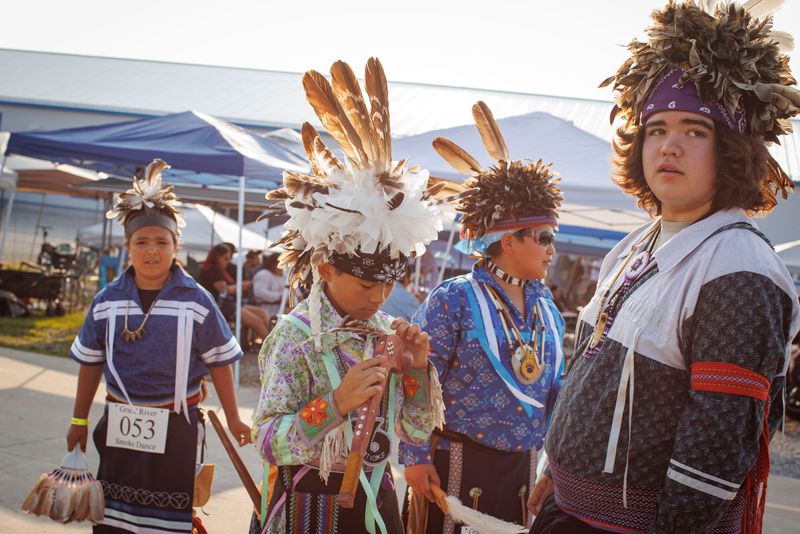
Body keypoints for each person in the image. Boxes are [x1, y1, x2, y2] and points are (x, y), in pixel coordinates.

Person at [532, 3, 800, 533]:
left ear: (730, 151)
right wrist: (553, 471)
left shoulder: (739, 268)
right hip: (568, 512)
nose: (670, 145)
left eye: (695, 131)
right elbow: (589, 371)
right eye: (656, 129)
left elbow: (716, 449)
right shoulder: (635, 246)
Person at [250, 58, 448, 534]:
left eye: (388, 284)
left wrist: (417, 371)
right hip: (306, 507)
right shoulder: (294, 337)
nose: (380, 296)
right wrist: (335, 403)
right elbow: (267, 441)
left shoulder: (383, 334)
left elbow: (415, 430)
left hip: (374, 505)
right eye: (365, 284)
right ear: (325, 269)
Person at [401, 101, 566, 533]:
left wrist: (557, 464)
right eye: (544, 237)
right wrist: (415, 456)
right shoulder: (453, 299)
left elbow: (555, 391)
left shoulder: (547, 311)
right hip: (455, 462)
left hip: (524, 468)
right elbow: (416, 375)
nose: (552, 248)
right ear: (508, 240)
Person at [66, 159, 252, 534]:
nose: (152, 251)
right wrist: (79, 419)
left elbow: (219, 362)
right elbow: (90, 363)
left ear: (176, 245)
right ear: (127, 247)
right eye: (142, 242)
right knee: (114, 518)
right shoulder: (107, 301)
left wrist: (233, 417)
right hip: (119, 423)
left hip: (177, 427)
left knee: (165, 523)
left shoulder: (196, 301)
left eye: (161, 242)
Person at [198, 243, 270, 340]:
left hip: (229, 305)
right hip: (221, 308)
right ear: (217, 257)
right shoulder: (213, 270)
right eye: (226, 259)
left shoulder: (216, 269)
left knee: (262, 313)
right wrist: (241, 286)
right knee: (257, 322)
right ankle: (273, 350)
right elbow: (224, 290)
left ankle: (274, 343)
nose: (228, 262)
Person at [253, 251, 286, 318]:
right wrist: (280, 297)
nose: (283, 267)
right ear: (273, 264)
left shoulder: (283, 275)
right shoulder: (263, 274)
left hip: (282, 308)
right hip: (268, 310)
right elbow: (259, 293)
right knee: (295, 315)